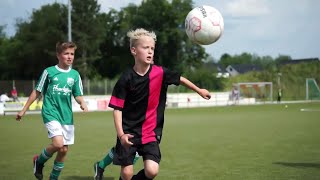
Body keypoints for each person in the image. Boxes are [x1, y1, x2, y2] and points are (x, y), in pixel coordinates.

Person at [107, 28, 211, 180]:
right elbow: (117, 109)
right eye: (145, 48)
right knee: (127, 173)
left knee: (152, 170)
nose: (150, 52)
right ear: (134, 51)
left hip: (150, 132)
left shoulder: (160, 72)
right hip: (128, 131)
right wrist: (121, 135)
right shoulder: (126, 78)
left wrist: (199, 90)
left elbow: (180, 78)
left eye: (152, 48)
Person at [16, 41, 88, 180]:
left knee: (63, 149)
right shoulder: (49, 72)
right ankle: (39, 161)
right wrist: (23, 110)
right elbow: (37, 92)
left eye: (72, 54)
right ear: (58, 55)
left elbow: (77, 94)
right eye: (66, 53)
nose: (69, 57)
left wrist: (82, 103)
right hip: (50, 112)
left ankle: (53, 178)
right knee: (58, 143)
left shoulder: (74, 75)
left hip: (66, 115)